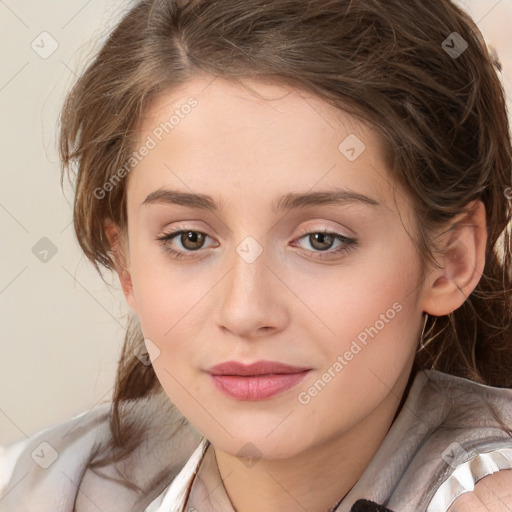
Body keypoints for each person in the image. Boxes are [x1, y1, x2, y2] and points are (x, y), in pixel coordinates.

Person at [1, 0, 512, 511]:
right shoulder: (37, 487)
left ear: (450, 259)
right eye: (190, 239)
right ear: (127, 262)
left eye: (321, 239)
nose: (245, 311)